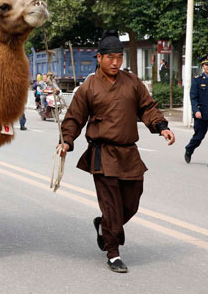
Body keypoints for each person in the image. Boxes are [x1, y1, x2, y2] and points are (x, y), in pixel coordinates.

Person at [57, 31, 175, 273]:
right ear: (99, 58)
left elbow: (148, 108)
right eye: (110, 57)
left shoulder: (132, 82)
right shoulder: (88, 87)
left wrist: (162, 127)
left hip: (129, 153)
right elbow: (74, 117)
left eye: (119, 57)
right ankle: (113, 253)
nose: (115, 63)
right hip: (103, 154)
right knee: (112, 207)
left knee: (130, 204)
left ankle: (104, 226)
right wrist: (67, 141)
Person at [184, 54, 208, 169]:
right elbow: (193, 97)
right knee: (199, 137)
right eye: (207, 65)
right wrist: (196, 110)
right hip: (201, 114)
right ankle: (189, 148)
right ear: (203, 66)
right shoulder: (197, 80)